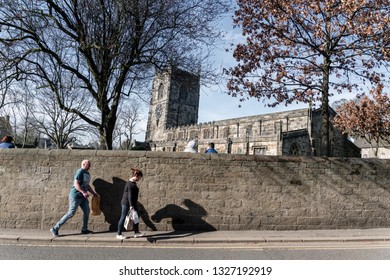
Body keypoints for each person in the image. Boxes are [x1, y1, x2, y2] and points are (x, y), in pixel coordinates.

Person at [50, 159, 98, 237]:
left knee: (87, 212)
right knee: (71, 213)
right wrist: (83, 192)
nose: (90, 166)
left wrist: (93, 193)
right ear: (83, 164)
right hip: (75, 195)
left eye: (90, 164)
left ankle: (84, 229)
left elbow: (87, 185)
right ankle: (55, 228)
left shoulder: (87, 174)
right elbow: (76, 184)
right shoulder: (80, 172)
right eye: (88, 164)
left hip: (83, 197)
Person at [116, 168, 144, 239]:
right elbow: (129, 195)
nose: (139, 179)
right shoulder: (130, 184)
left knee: (136, 217)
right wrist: (131, 206)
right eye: (140, 177)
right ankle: (118, 234)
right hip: (126, 203)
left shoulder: (133, 183)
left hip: (133, 203)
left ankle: (136, 232)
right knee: (123, 217)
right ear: (137, 176)